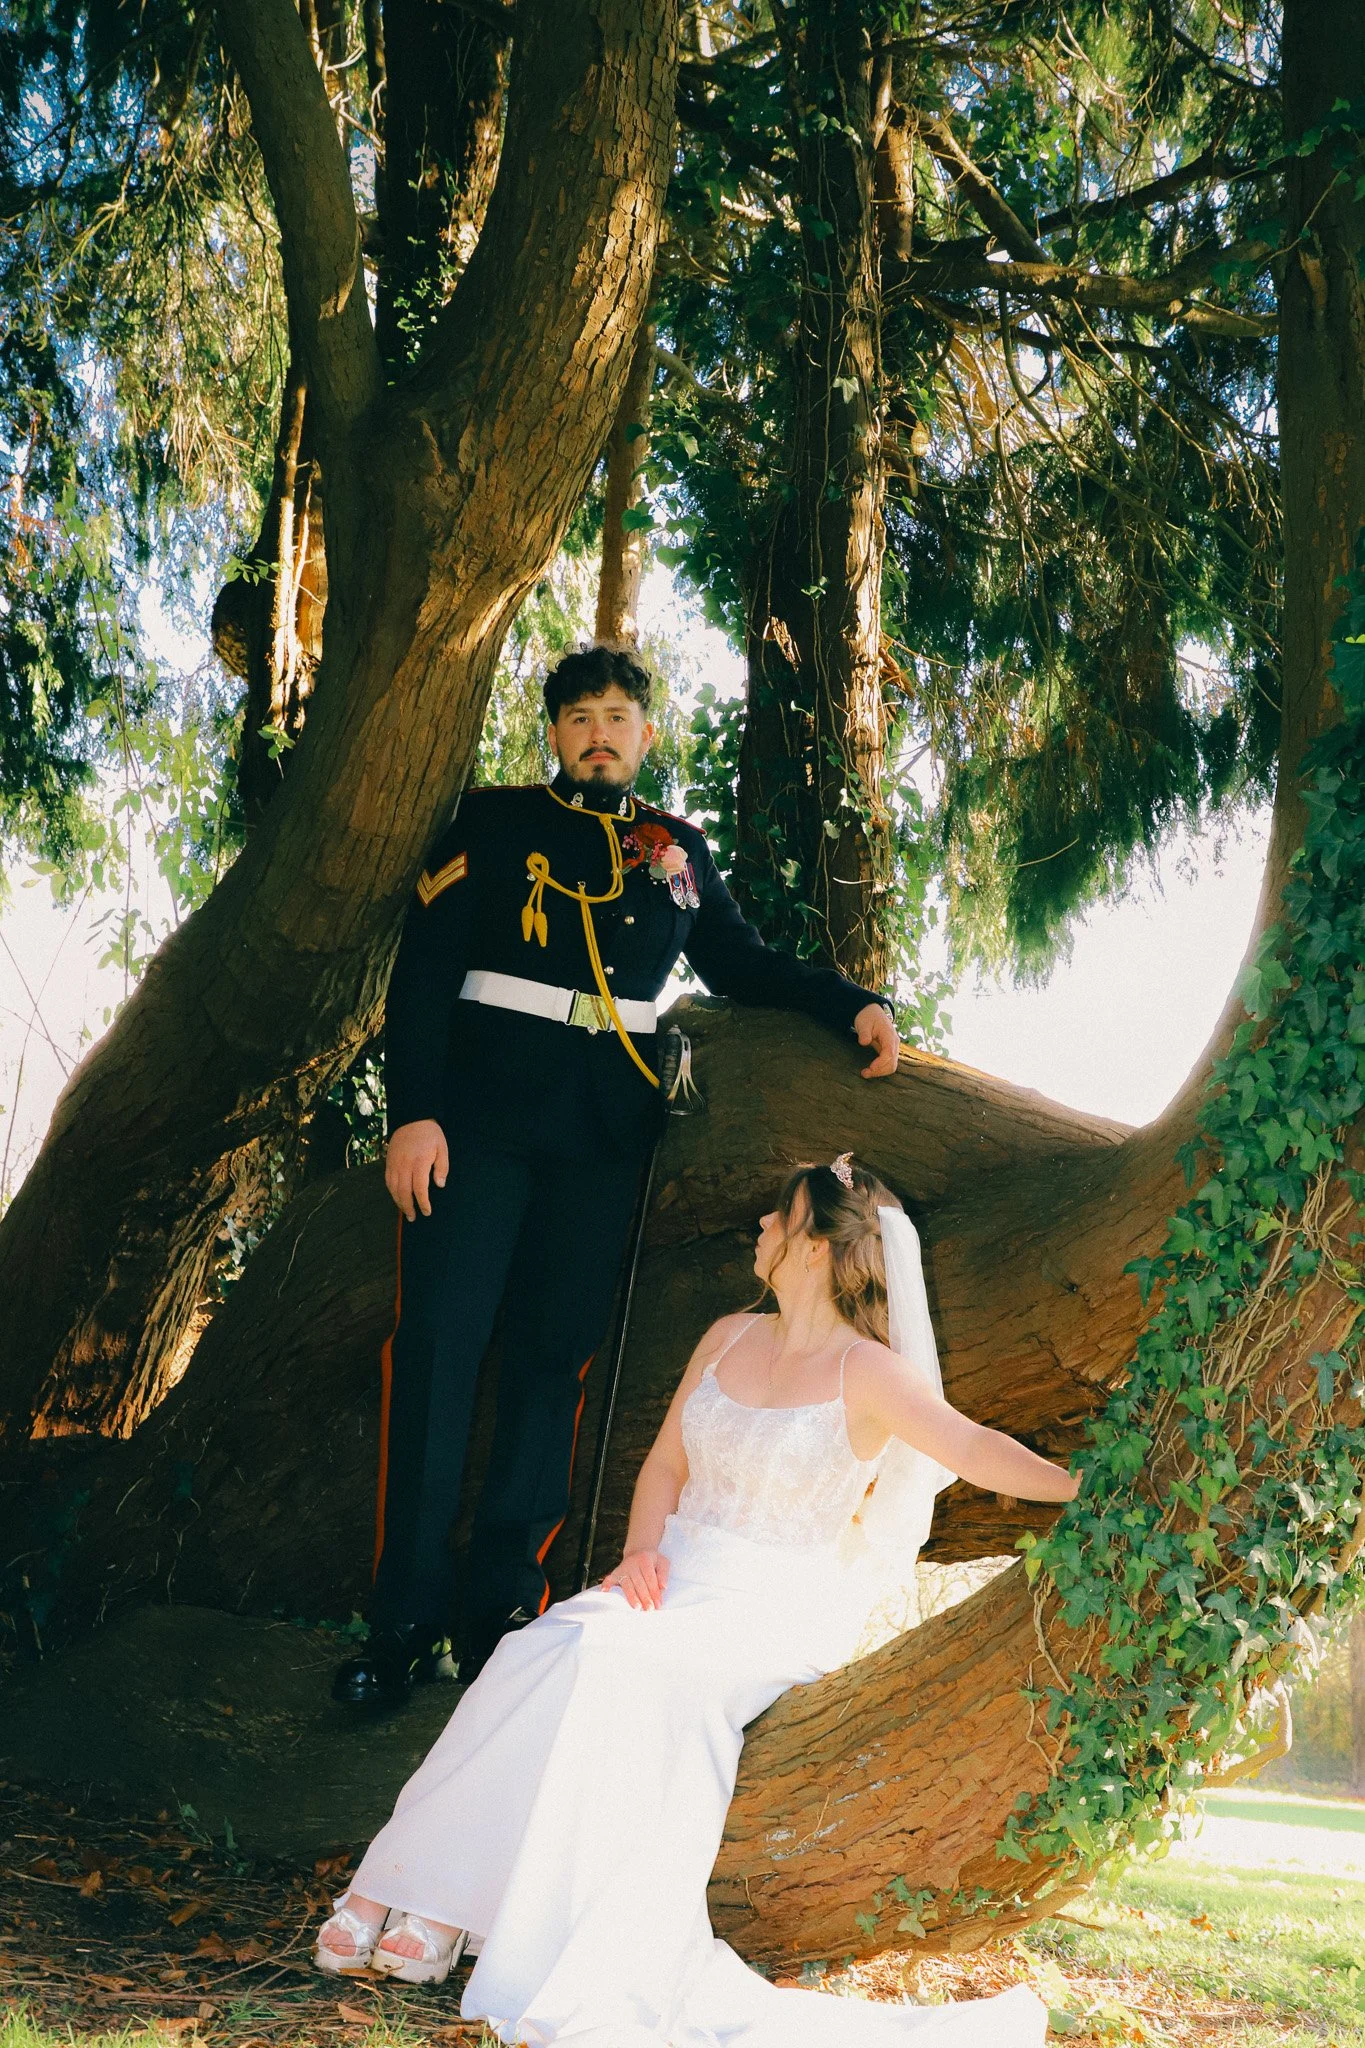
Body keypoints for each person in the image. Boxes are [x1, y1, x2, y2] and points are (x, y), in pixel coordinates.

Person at [315, 1155, 1076, 2047]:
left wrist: (1082, 1484)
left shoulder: (868, 1373)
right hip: (671, 1574)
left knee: (609, 1661)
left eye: (775, 1215)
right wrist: (641, 1551)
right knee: (535, 1651)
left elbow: (973, 1445)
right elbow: (666, 1467)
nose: (758, 1226)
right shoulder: (724, 1335)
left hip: (772, 1606)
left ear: (818, 1245)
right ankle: (415, 1890)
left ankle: (451, 1910)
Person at [332, 645, 901, 1706]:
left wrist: (847, 1000)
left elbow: (742, 961)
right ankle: (402, 1619)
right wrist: (413, 1112)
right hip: (479, 1124)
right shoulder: (494, 825)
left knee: (554, 1364)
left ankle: (505, 1607)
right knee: (440, 1355)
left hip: (601, 1138)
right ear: (553, 733)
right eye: (580, 715)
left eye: (618, 716)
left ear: (645, 733)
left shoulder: (670, 850)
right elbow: (424, 974)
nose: (599, 732)